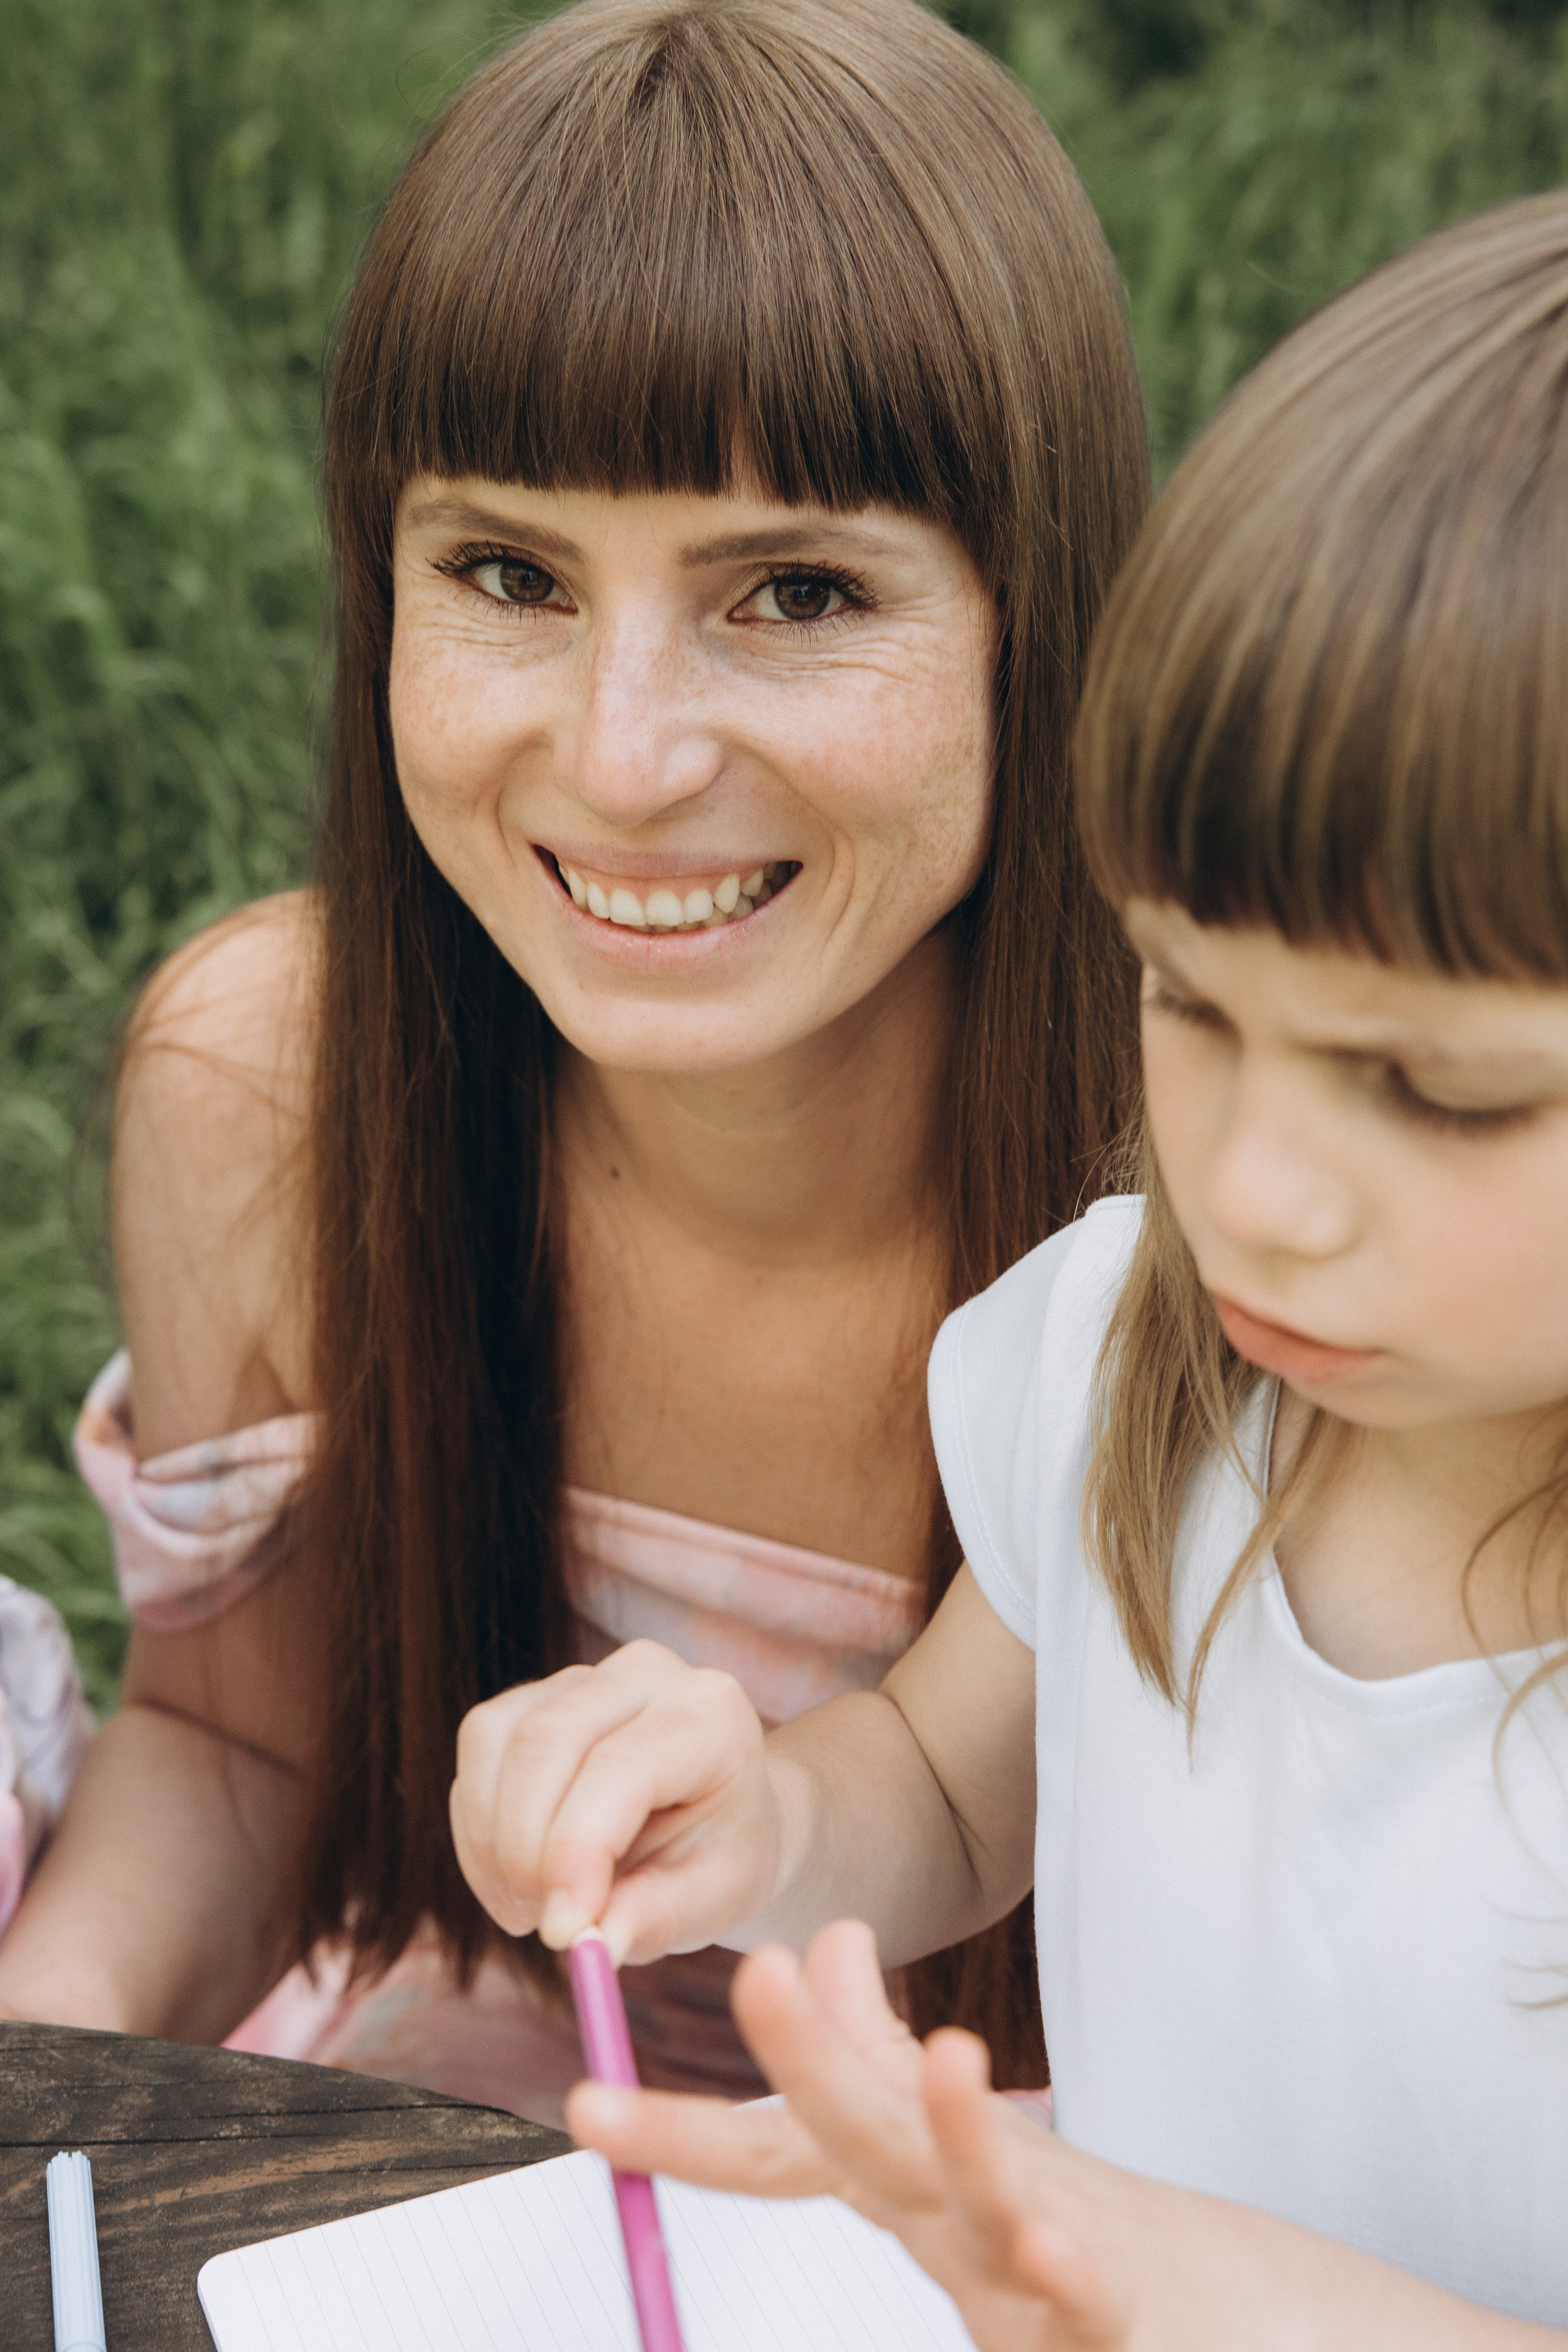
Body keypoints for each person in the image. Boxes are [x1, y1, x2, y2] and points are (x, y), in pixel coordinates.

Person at [0, 0, 1148, 2124]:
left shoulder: (1250, 1207)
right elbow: (241, 1752)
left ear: (1040, 617)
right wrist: (38, 2095)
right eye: (510, 573)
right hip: (487, 2109)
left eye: (796, 591)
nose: (624, 758)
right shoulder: (272, 1091)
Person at [450, 189, 1568, 2339]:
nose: (1260, 1183)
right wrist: (764, 1815)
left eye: (1432, 1090)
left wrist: (1194, 2283)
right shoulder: (1148, 1354)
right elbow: (960, 1789)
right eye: (1194, 1000)